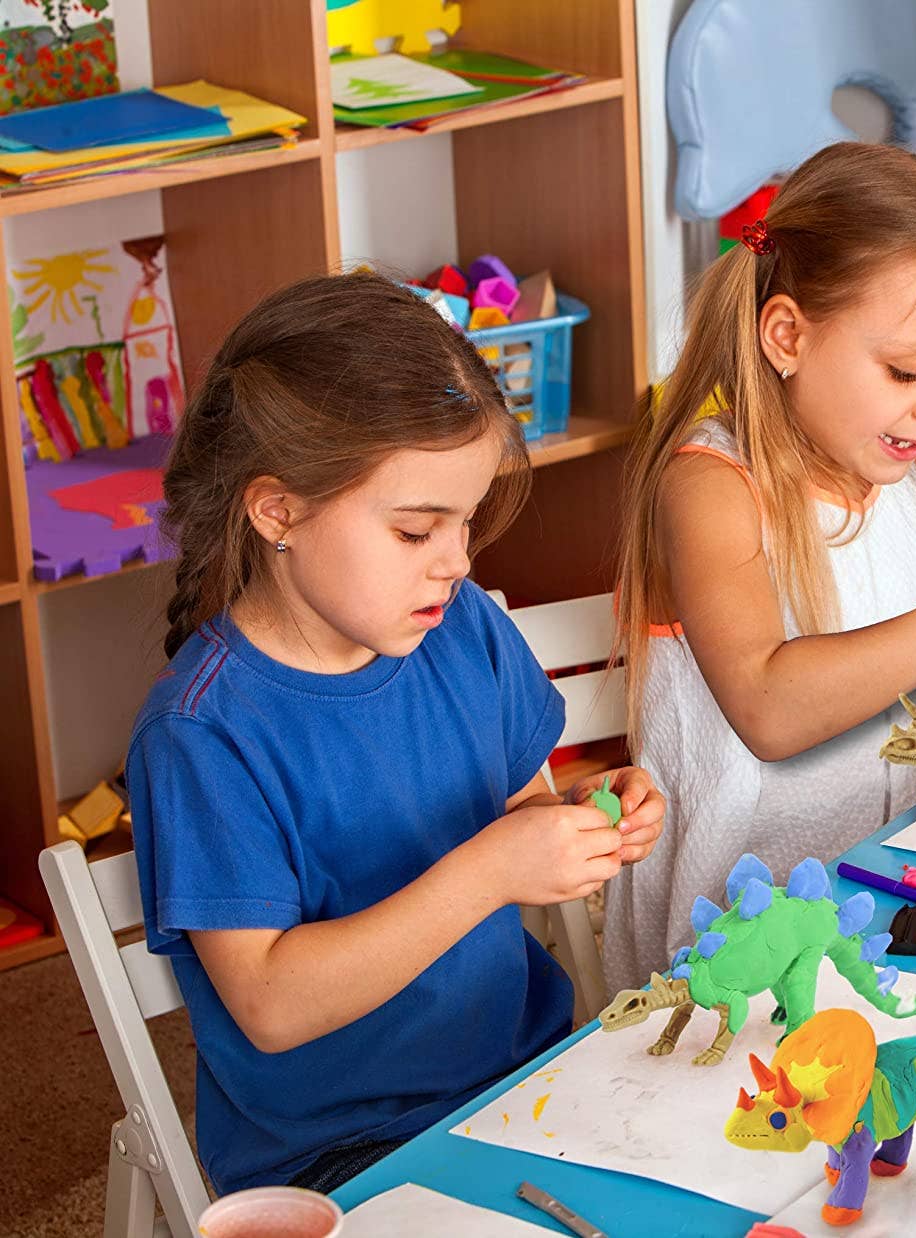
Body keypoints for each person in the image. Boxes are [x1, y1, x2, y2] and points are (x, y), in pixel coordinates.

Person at [126, 272, 664, 1194]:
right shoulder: (202, 734)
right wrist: (490, 870)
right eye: (416, 532)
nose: (457, 561)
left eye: (465, 522)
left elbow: (519, 813)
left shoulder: (461, 628)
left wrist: (584, 819)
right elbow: (271, 1004)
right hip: (342, 1147)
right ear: (278, 511)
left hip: (525, 1071)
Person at [606, 142, 916, 994]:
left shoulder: (914, 471)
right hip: (729, 947)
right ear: (788, 336)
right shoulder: (711, 484)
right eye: (907, 370)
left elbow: (904, 687)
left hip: (886, 900)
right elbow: (770, 708)